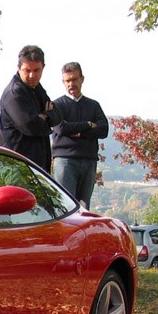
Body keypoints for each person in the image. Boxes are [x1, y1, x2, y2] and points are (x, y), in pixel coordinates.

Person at [51, 62, 109, 208]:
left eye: (74, 79)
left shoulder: (93, 105)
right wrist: (88, 124)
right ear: (63, 82)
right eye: (67, 81)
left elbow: (104, 130)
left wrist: (79, 132)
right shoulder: (57, 105)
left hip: (89, 160)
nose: (71, 84)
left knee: (84, 208)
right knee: (66, 207)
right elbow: (62, 128)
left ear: (82, 79)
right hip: (65, 161)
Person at [0, 45, 61, 170]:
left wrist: (45, 116)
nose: (32, 75)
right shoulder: (15, 93)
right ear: (19, 68)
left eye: (37, 70)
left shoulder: (37, 89)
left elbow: (58, 115)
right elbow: (30, 126)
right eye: (27, 70)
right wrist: (45, 119)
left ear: (43, 67)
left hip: (37, 165)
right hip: (16, 165)